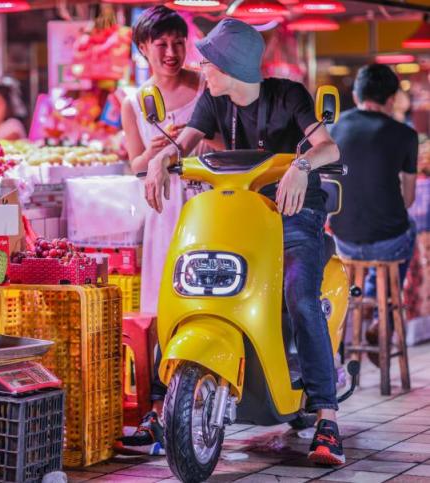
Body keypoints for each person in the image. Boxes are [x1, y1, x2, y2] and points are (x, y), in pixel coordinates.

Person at [144, 18, 345, 465]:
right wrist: (161, 158)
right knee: (186, 281)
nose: (201, 67)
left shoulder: (288, 96)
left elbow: (328, 147)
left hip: (294, 213)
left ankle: (327, 420)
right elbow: (185, 143)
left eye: (208, 61)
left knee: (298, 293)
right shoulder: (213, 101)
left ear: (230, 66)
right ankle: (161, 402)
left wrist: (301, 166)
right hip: (236, 212)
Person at [117, 5, 217, 456]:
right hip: (163, 209)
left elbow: (228, 146)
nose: (172, 52)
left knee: (209, 297)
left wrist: (191, 143)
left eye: (179, 43)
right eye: (162, 45)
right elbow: (135, 165)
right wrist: (155, 152)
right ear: (143, 49)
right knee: (162, 303)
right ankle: (161, 404)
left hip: (206, 204)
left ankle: (207, 390)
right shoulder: (134, 103)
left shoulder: (207, 87)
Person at [329, 64, 418, 362]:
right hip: (388, 242)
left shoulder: (335, 128)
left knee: (377, 241)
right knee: (410, 229)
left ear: (356, 95)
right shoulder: (405, 135)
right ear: (391, 99)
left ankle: (365, 300)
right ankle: (384, 317)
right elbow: (408, 199)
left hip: (343, 241)